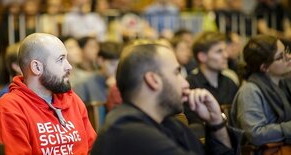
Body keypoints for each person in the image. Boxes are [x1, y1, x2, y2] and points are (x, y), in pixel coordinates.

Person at [91, 41, 242, 155]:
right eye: (176, 73)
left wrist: (215, 122)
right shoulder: (127, 131)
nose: (185, 83)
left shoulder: (168, 123)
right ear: (153, 80)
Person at [0, 33, 96, 155]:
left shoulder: (72, 99)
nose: (69, 66)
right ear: (37, 67)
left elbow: (94, 149)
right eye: (60, 60)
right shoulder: (7, 110)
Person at [230, 35, 291, 152]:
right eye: (280, 57)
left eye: (286, 51)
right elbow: (256, 134)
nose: (289, 57)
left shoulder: (284, 83)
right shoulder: (250, 91)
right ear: (264, 67)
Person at [185, 31, 239, 124]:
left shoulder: (230, 82)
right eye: (219, 51)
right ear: (202, 56)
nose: (226, 55)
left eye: (225, 50)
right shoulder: (190, 85)